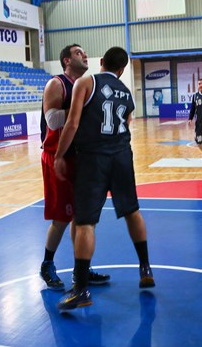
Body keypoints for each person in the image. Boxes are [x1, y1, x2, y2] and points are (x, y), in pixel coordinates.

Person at [54, 46, 154, 310]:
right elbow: (127, 123)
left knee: (85, 222)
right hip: (122, 156)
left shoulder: (86, 82)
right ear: (121, 70)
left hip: (93, 159)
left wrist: (59, 155)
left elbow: (72, 123)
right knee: (132, 211)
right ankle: (145, 268)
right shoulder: (127, 92)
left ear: (101, 61)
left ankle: (81, 290)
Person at [38, 44, 110, 291]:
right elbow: (52, 120)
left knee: (81, 217)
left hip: (79, 157)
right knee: (61, 217)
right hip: (57, 157)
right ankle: (47, 264)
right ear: (67, 60)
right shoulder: (56, 84)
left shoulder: (84, 84)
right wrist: (81, 107)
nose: (85, 55)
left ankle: (81, 269)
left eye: (85, 52)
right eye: (79, 53)